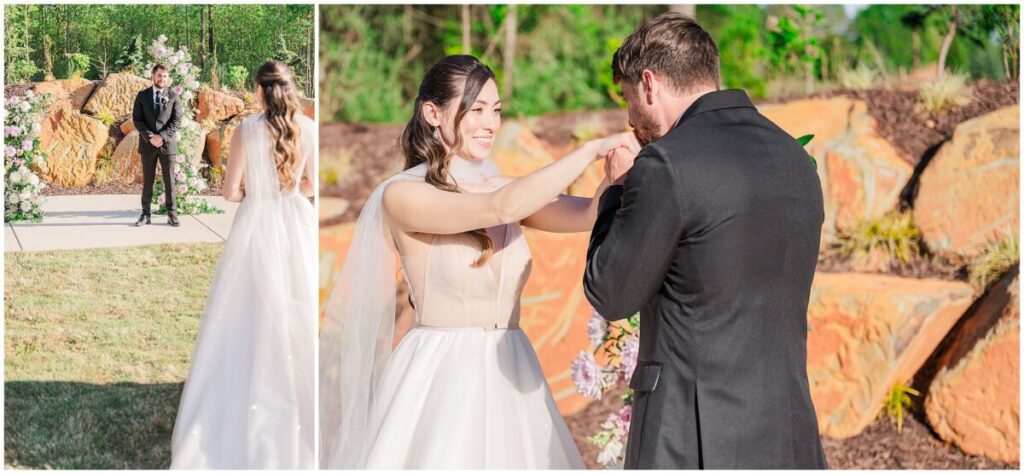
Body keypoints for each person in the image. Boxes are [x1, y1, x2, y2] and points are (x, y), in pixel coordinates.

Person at [319, 54, 639, 469]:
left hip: (512, 366)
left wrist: (620, 167)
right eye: (476, 110)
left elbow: (585, 214)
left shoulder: (502, 186)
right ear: (432, 113)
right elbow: (502, 207)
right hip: (442, 373)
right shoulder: (403, 195)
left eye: (497, 110)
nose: (490, 123)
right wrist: (591, 150)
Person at [583, 12, 829, 469]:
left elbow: (611, 293)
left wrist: (616, 190)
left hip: (690, 433)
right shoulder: (794, 158)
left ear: (650, 84)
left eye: (627, 96)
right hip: (788, 430)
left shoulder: (665, 164)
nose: (629, 115)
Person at [170, 60, 316, 469]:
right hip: (296, 222)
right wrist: (288, 186)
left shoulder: (247, 131)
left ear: (258, 90)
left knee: (244, 309)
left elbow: (231, 193)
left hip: (257, 223)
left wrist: (260, 187)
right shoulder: (309, 129)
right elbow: (313, 186)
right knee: (297, 304)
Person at [132, 63, 181, 227]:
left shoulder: (173, 96)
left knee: (170, 182)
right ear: (153, 76)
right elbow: (137, 119)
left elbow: (176, 120)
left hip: (167, 145)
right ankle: (145, 214)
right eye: (159, 75)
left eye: (165, 76)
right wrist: (149, 137)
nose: (162, 79)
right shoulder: (142, 95)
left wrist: (163, 137)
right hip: (148, 144)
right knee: (148, 181)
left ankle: (172, 214)